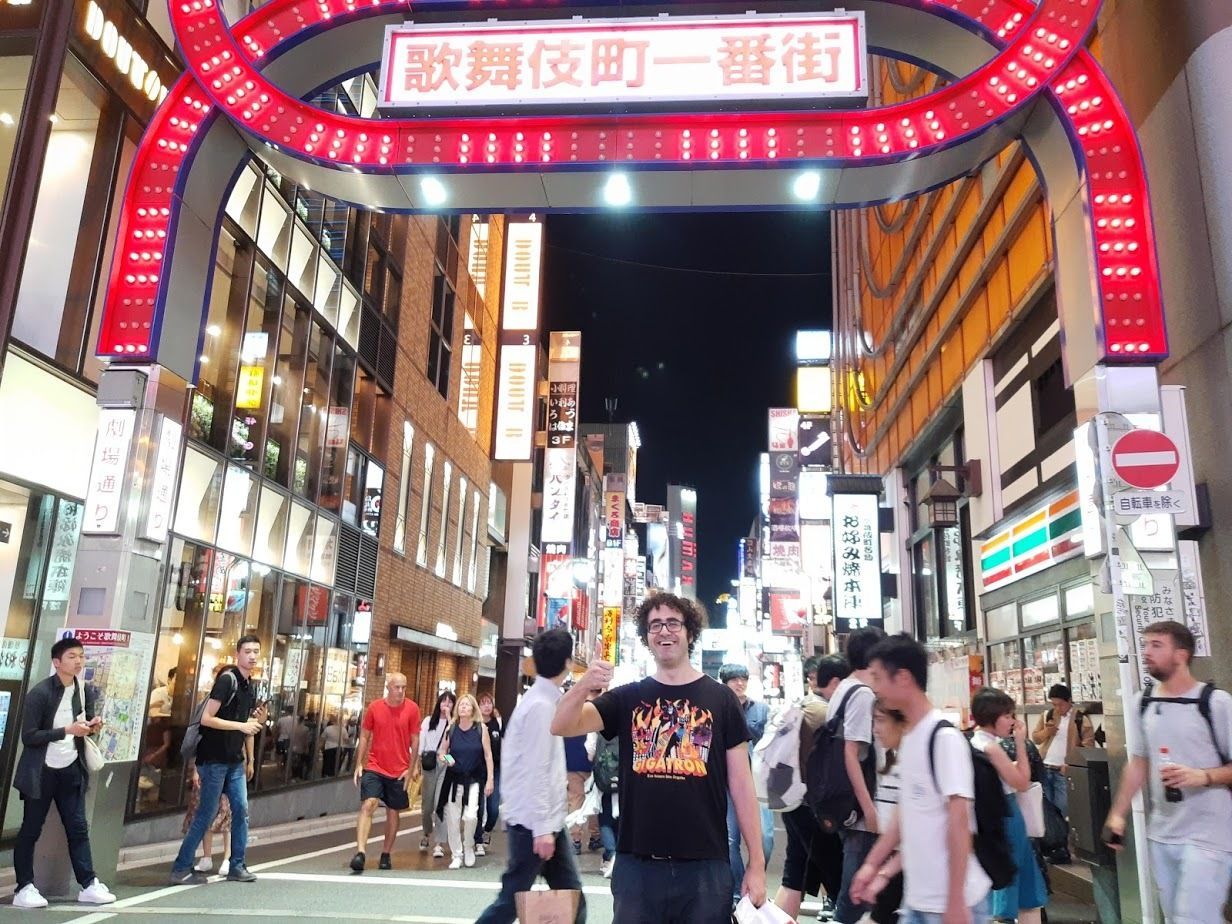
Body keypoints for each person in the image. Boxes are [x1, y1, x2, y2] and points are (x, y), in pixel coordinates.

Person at [552, 591, 767, 923]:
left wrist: (756, 862)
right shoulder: (628, 698)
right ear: (647, 637)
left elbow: (741, 784)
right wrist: (584, 684)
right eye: (655, 625)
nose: (664, 631)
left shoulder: (722, 700)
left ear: (690, 633)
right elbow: (562, 724)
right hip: (637, 864)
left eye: (673, 623)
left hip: (705, 866)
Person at [851, 634, 991, 924]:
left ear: (903, 677)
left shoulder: (943, 738)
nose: (874, 687)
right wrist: (874, 867)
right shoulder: (913, 737)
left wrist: (955, 900)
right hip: (918, 901)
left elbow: (960, 822)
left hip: (951, 904)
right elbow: (907, 815)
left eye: (878, 677)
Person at [1105, 620, 1232, 924]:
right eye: (1145, 645)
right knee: (1176, 918)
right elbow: (1139, 762)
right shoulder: (1143, 702)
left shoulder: (1216, 703)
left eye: (1156, 645)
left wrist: (1204, 776)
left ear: (1181, 654)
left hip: (1210, 833)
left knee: (1194, 919)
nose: (1146, 652)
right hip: (1162, 832)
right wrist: (1118, 814)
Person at [475, 628, 586, 924]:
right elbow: (537, 771)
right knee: (511, 903)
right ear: (567, 663)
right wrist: (542, 830)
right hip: (534, 824)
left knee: (571, 900)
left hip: (541, 821)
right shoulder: (541, 707)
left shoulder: (540, 700)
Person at [11, 637, 116, 909]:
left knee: (78, 828)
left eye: (81, 655)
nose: (78, 661)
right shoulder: (41, 693)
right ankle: (23, 887)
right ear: (56, 662)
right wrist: (67, 730)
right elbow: (29, 736)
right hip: (40, 771)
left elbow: (84, 725)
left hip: (71, 768)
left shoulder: (83, 689)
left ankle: (89, 884)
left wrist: (92, 726)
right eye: (72, 656)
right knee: (31, 829)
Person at [169, 635, 267, 885]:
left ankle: (237, 865)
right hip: (213, 759)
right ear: (238, 654)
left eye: (256, 651)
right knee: (207, 813)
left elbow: (247, 725)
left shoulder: (249, 685)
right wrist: (241, 726)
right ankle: (181, 867)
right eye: (248, 651)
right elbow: (207, 718)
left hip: (234, 761)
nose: (252, 656)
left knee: (241, 810)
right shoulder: (227, 680)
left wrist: (255, 731)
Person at [775, 654, 847, 921]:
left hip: (794, 801)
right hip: (814, 808)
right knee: (839, 879)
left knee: (794, 874)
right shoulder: (823, 712)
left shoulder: (802, 705)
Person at [970, 688, 1046, 924]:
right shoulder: (991, 747)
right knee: (1015, 885)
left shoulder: (975, 742)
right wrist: (1020, 743)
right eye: (1007, 715)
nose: (1012, 721)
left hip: (994, 817)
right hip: (1006, 816)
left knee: (1016, 887)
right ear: (990, 716)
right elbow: (1022, 782)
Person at [831, 626, 885, 924]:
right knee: (856, 893)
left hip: (845, 801)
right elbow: (850, 753)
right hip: (860, 809)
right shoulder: (862, 694)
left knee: (862, 889)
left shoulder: (845, 687)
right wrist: (869, 809)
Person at [349, 672, 421, 873]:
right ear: (388, 687)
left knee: (393, 811)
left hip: (399, 769)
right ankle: (360, 852)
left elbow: (415, 741)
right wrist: (359, 764)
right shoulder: (375, 707)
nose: (401, 691)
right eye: (397, 687)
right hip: (375, 765)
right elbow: (365, 736)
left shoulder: (412, 709)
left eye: (404, 687)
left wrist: (411, 768)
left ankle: (386, 853)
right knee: (369, 804)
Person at [719, 662, 775, 906]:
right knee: (730, 839)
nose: (740, 683)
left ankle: (755, 877)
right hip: (727, 783)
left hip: (757, 783)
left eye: (743, 679)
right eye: (734, 679)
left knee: (765, 838)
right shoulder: (717, 708)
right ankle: (738, 892)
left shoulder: (761, 710)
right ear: (725, 683)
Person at [185, 663, 238, 877]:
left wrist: (250, 760)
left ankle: (227, 858)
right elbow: (198, 737)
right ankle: (206, 857)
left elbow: (244, 736)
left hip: (229, 765)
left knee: (226, 814)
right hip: (208, 763)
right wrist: (195, 769)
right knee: (205, 811)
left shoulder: (235, 704)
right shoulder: (206, 705)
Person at [436, 693, 495, 869]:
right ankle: (457, 854)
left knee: (471, 816)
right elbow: (442, 752)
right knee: (453, 818)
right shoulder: (451, 728)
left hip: (474, 779)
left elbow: (488, 755)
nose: (463, 707)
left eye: (467, 705)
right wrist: (448, 760)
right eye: (461, 704)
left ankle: (469, 845)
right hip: (454, 779)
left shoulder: (481, 729)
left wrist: (490, 779)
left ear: (473, 709)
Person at [1030, 683, 1094, 821]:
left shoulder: (1080, 719)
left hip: (1063, 770)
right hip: (1044, 767)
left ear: (1069, 701)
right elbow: (1035, 738)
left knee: (1063, 808)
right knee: (1045, 809)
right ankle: (1050, 834)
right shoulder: (1047, 715)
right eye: (1054, 704)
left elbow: (1088, 746)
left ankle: (1063, 833)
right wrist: (1047, 732)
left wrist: (1072, 764)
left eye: (1060, 704)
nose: (1057, 708)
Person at [869, 700, 907, 924]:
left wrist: (883, 871)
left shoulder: (912, 767)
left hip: (907, 866)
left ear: (902, 723)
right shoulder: (892, 763)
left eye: (881, 720)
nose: (875, 728)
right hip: (895, 862)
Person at [418, 690, 455, 857]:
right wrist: (419, 761)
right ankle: (426, 832)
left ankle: (439, 843)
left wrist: (450, 718)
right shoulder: (428, 721)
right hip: (429, 763)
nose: (446, 704)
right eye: (443, 701)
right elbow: (422, 743)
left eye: (450, 702)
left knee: (440, 804)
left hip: (445, 762)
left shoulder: (453, 723)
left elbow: (454, 742)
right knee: (427, 806)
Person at [565, 713, 601, 854]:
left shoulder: (568, 717)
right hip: (591, 765)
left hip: (572, 764)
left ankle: (576, 839)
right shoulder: (592, 715)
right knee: (593, 800)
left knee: (575, 801)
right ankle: (595, 836)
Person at [591, 709, 620, 879]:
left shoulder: (597, 728)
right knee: (622, 819)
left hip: (604, 781)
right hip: (624, 781)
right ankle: (618, 855)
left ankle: (611, 853)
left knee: (605, 820)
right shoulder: (629, 726)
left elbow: (590, 753)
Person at [475, 692, 503, 856]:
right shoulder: (474, 725)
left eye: (489, 703)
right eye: (483, 703)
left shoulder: (496, 723)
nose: (486, 706)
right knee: (478, 807)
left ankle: (487, 830)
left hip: (496, 769)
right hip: (478, 770)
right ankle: (477, 839)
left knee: (493, 809)